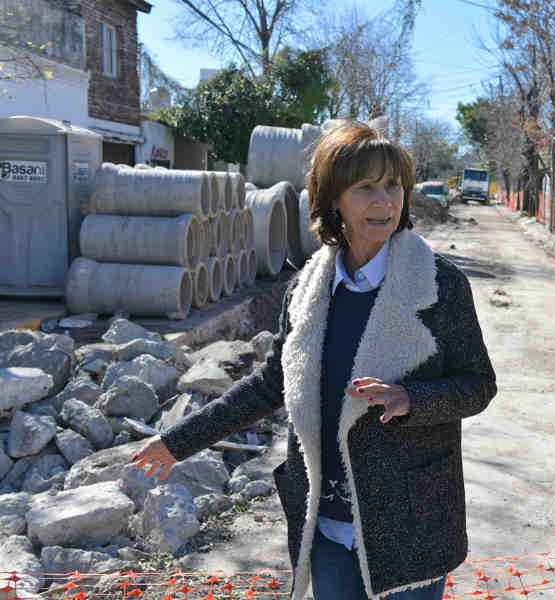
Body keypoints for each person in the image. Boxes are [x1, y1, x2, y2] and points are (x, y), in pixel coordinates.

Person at [132, 121, 497, 600]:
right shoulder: (306, 291)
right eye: (365, 188)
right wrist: (177, 442)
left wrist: (412, 398)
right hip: (326, 526)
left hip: (411, 525)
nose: (384, 202)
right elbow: (270, 386)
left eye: (393, 186)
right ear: (333, 198)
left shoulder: (440, 285)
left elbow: (478, 384)